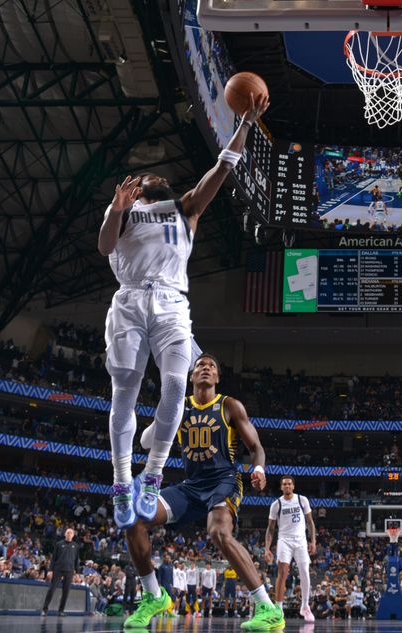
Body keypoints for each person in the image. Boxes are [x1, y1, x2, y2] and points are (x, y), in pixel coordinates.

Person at [98, 92, 270, 529]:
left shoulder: (184, 208)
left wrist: (245, 124)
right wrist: (115, 210)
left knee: (177, 385)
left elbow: (222, 168)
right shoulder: (124, 211)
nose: (150, 176)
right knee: (126, 393)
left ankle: (152, 473)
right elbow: (103, 247)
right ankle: (121, 482)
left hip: (173, 302)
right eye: (142, 176)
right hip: (130, 300)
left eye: (156, 176)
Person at [122, 353, 284, 631]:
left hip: (224, 481)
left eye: (212, 366)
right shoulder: (178, 407)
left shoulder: (230, 406)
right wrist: (164, 411)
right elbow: (146, 441)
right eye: (200, 366)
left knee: (218, 532)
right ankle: (154, 596)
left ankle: (268, 607)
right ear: (192, 376)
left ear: (217, 377)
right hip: (191, 486)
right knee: (133, 519)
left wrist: (258, 470)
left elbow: (256, 447)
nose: (206, 368)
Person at [264, 475, 316, 621]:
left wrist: (313, 541)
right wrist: (267, 548)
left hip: (300, 541)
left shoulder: (302, 500)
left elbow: (310, 522)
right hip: (284, 540)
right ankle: (278, 609)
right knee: (282, 573)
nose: (287, 486)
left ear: (293, 486)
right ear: (281, 487)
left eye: (289, 484)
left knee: (305, 572)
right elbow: (270, 528)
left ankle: (305, 606)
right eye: (284, 484)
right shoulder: (276, 504)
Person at [41, 528, 80, 616]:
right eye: (68, 532)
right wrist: (50, 570)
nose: (69, 534)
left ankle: (61, 610)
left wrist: (77, 573)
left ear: (73, 535)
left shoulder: (76, 546)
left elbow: (77, 560)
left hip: (69, 571)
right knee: (52, 589)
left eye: (71, 533)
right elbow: (54, 558)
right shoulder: (59, 544)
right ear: (65, 534)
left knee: (66, 592)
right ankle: (44, 609)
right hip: (58, 570)